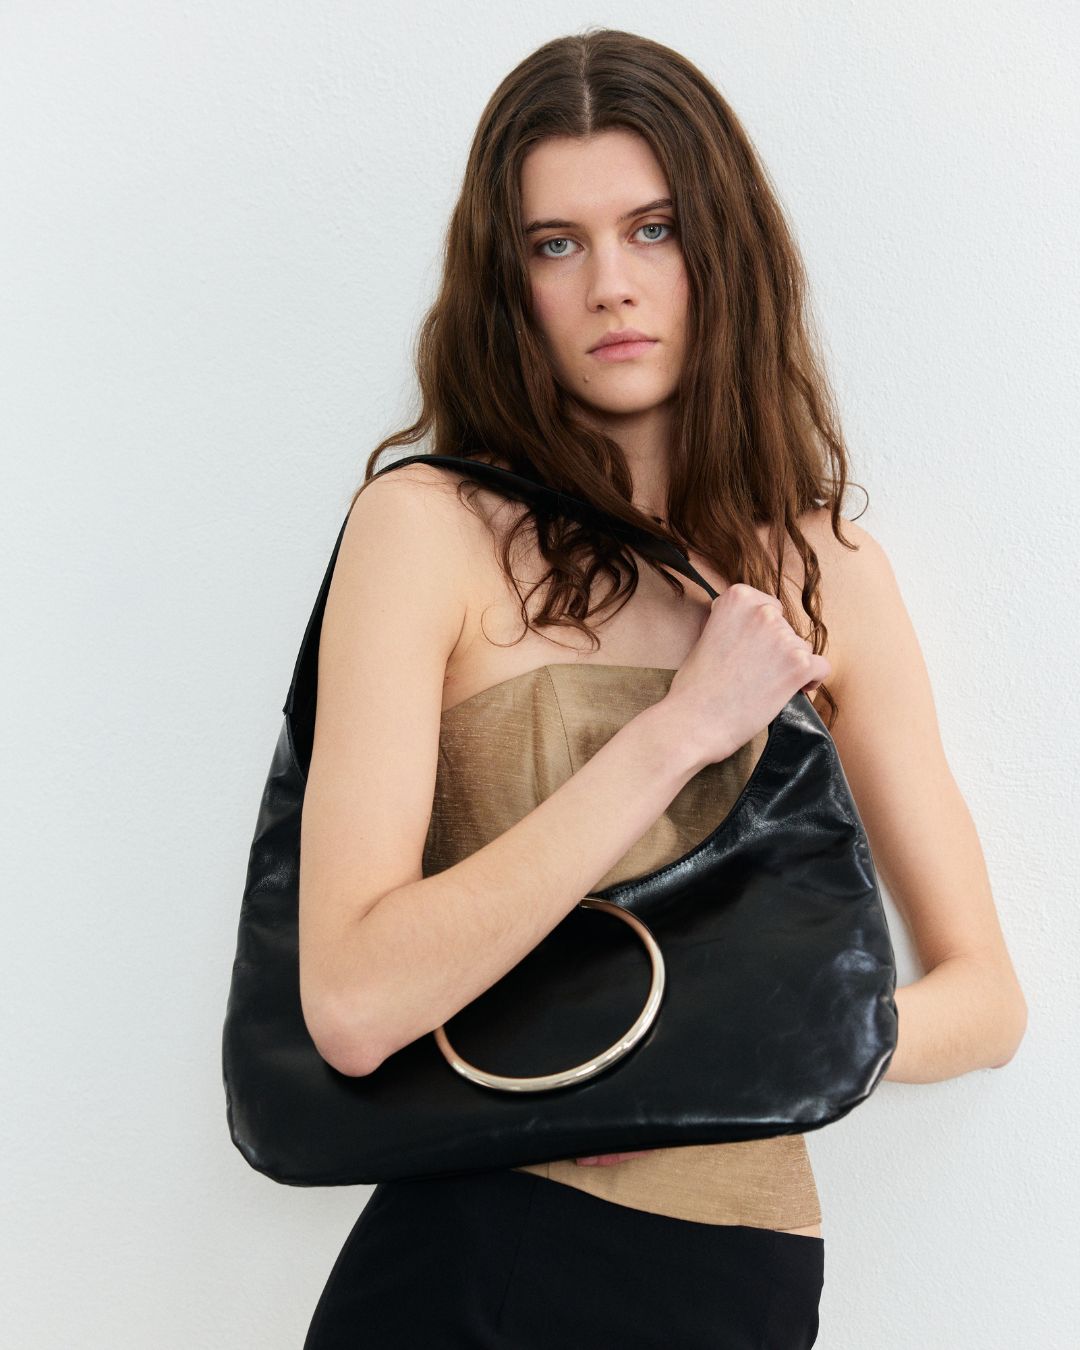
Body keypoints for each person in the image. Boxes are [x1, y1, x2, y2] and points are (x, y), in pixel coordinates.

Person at [296, 27, 1027, 1349]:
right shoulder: (429, 530)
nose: (611, 286)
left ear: (722, 249)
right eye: (556, 243)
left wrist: (759, 1052)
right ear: (507, 279)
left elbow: (985, 997)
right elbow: (351, 1003)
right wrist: (688, 723)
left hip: (733, 1272)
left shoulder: (831, 572)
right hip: (473, 1255)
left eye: (655, 229)